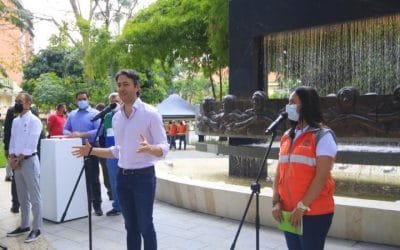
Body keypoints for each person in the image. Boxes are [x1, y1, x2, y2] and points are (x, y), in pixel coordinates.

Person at [72, 69, 169, 250]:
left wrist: (151, 148)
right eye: (119, 85)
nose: (122, 89)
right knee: (130, 226)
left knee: (145, 226)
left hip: (143, 177)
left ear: (137, 87)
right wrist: (92, 150)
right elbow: (117, 151)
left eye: (126, 84)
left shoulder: (151, 113)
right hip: (122, 178)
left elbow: (164, 148)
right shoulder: (116, 118)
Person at [271, 86, 337, 250]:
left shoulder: (323, 136)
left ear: (306, 105)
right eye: (288, 102)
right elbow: (279, 171)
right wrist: (276, 202)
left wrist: (301, 207)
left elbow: (321, 177)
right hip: (288, 212)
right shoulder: (287, 136)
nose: (289, 107)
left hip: (314, 214)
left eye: (293, 102)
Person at [6, 91, 43, 243]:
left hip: (29, 161)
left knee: (35, 197)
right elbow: (12, 141)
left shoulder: (35, 121)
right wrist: (12, 160)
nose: (17, 103)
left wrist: (18, 159)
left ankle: (37, 228)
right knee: (22, 197)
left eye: (20, 101)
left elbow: (31, 144)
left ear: (28, 103)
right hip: (17, 162)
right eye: (16, 101)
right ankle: (24, 225)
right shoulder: (15, 121)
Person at [64, 91, 103, 216]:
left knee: (93, 178)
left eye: (84, 98)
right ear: (76, 101)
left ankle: (97, 205)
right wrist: (70, 135)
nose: (82, 101)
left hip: (91, 147)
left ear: (88, 99)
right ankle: (84, 205)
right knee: (80, 178)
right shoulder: (72, 114)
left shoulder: (95, 114)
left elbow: (99, 130)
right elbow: (65, 129)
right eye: (79, 99)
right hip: (75, 147)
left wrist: (81, 134)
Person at [102, 92, 122, 216]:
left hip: (124, 153)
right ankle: (117, 206)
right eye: (112, 101)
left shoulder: (125, 114)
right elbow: (104, 133)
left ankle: (129, 206)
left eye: (117, 101)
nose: (115, 103)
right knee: (113, 181)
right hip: (110, 153)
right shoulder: (107, 116)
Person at [3, 106, 19, 213]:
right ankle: (15, 204)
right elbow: (8, 131)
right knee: (16, 178)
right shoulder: (11, 111)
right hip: (15, 151)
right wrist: (7, 148)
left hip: (28, 153)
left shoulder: (32, 112)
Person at [95, 102, 113, 201]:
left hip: (106, 149)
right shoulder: (99, 120)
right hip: (102, 149)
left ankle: (111, 192)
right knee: (106, 172)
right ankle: (110, 192)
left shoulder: (108, 118)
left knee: (107, 172)